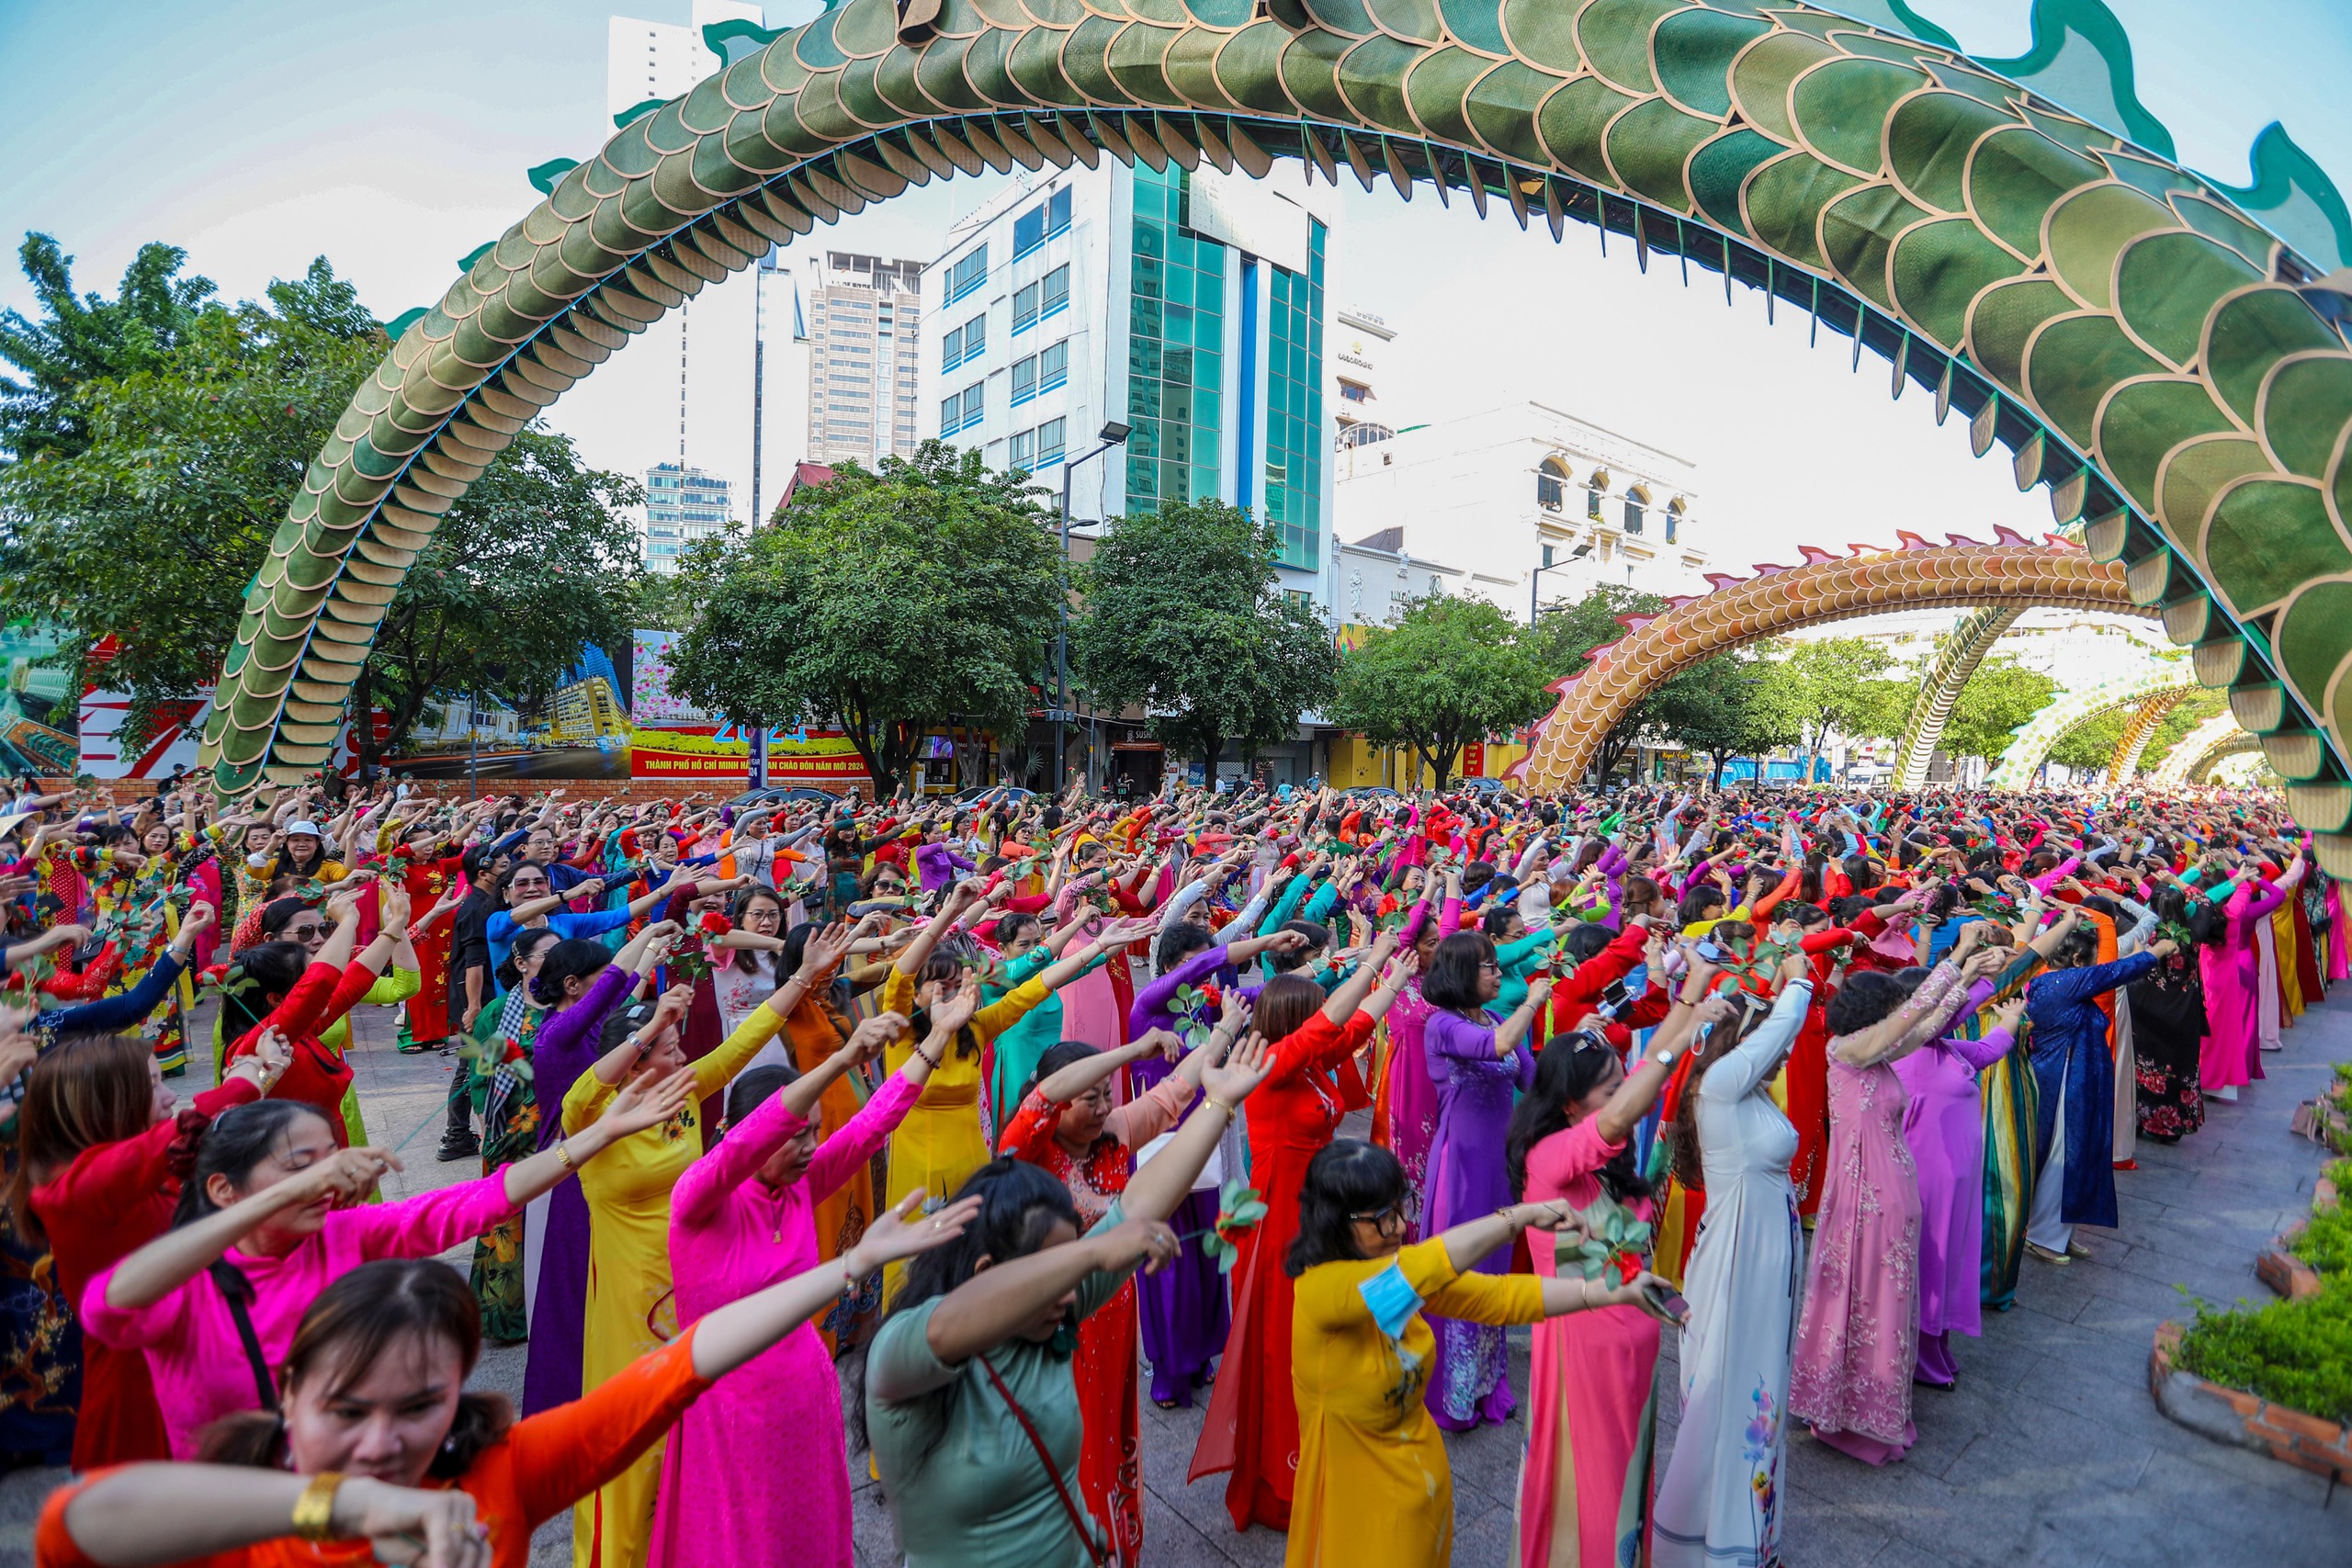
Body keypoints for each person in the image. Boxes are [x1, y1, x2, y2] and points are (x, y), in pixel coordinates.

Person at [33, 1192, 978, 1568]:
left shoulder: (508, 1473)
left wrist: (853, 1265)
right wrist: (343, 1511)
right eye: (345, 1408)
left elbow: (687, 1361)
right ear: (285, 1399)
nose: (381, 1441)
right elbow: (70, 1526)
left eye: (419, 1405)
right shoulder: (241, 1515)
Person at [80, 1066, 695, 1458]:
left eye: (331, 1159)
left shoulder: (345, 1234)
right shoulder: (189, 1283)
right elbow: (106, 1305)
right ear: (224, 1189)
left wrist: (597, 1135)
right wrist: (279, 1197)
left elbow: (473, 1202)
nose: (329, 1178)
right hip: (238, 1531)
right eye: (302, 1166)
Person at [865, 1029, 1274, 1567]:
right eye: (1054, 1269)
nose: (1105, 1107)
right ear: (989, 1268)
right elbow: (947, 1329)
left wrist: (1220, 1101)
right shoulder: (904, 1355)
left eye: (1110, 1094)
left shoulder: (1054, 1318)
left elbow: (1142, 1201)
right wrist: (1089, 1255)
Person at [648, 995, 943, 1568]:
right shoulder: (698, 1203)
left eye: (814, 1133)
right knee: (742, 1543)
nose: (810, 1147)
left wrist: (934, 1041)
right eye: (795, 1134)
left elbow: (872, 1123)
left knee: (807, 1536)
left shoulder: (801, 1187)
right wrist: (838, 1061)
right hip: (728, 1410)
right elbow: (749, 1140)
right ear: (744, 1132)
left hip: (806, 1395)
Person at [1283, 1139, 1673, 1568]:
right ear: (1335, 1223)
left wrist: (1609, 1291)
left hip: (1421, 1489)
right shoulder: (1322, 1291)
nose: (1397, 1227)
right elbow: (1432, 1262)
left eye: (1400, 1208)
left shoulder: (1397, 1276)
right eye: (1381, 1218)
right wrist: (1520, 1216)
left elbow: (1496, 1297)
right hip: (1356, 1507)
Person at [1191, 932, 1412, 1533]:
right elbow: (1328, 1029)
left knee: (1324, 1342)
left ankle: (1320, 1455)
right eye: (1312, 1010)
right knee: (1284, 1349)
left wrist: (1390, 980)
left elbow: (1349, 1034)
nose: (1322, 1019)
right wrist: (1368, 962)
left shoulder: (1308, 1062)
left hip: (1316, 1215)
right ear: (1293, 1020)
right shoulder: (1271, 1066)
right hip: (1279, 1224)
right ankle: (1281, 1481)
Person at [997, 1023, 1224, 1566]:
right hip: (1054, 1323)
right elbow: (1044, 1098)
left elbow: (1171, 1096)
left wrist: (1222, 1042)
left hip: (1117, 1314)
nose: (1103, 1108)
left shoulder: (1113, 1136)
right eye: (1090, 1098)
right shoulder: (1026, 1150)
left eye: (1108, 1095)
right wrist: (1128, 1050)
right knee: (1072, 1440)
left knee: (1112, 1431)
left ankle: (1112, 1537)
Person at [13, 1028, 288, 1471]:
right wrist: (247, 1080)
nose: (168, 1097)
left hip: (196, 1365)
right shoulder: (74, 1189)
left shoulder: (135, 1174)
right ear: (105, 1104)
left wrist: (260, 1069)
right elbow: (180, 1134)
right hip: (141, 1391)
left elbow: (185, 1145)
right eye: (154, 1084)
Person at [1790, 942, 1996, 1464]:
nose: (1895, 1021)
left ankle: (1870, 1411)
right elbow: (1907, 1018)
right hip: (1863, 1198)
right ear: (1870, 1015)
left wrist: (1966, 975)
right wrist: (1956, 960)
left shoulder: (1878, 1053)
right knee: (1861, 1300)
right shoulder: (1846, 1051)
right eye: (1888, 1012)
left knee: (1885, 1305)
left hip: (1890, 1194)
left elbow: (1923, 1026)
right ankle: (1844, 1411)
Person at [1506, 990, 1689, 1568]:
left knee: (1628, 1477)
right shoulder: (1550, 1159)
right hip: (1582, 1350)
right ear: (1568, 1105)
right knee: (1594, 1482)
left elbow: (1646, 1067)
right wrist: (1682, 1041)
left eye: (1620, 1081)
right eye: (1610, 1087)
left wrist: (1700, 991)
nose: (1625, 1093)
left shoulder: (1600, 1161)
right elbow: (1625, 1107)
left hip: (1632, 1347)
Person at [1650, 956, 1812, 1568]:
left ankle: (1747, 1531)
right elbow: (1783, 1028)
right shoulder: (1717, 1086)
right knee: (1731, 1387)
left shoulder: (1745, 1090)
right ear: (1743, 1044)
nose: (1782, 1056)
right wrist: (1795, 979)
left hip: (1765, 1259)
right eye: (1767, 1043)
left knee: (1759, 1383)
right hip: (1739, 1262)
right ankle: (1711, 1538)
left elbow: (1778, 1037)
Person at [1416, 930, 1547, 1430]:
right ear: (1461, 975)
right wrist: (1533, 1001)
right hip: (1463, 1168)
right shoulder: (1442, 1026)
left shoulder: (1492, 1016)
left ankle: (1488, 1382)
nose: (1496, 973)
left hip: (1500, 1164)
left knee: (1493, 1272)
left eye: (1495, 965)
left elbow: (1533, 1079)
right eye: (1488, 966)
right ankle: (1454, 1393)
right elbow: (1498, 1047)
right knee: (1463, 1272)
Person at [2022, 923, 2174, 1265]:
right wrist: (2157, 951)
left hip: (2078, 1077)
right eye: (2090, 960)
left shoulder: (2061, 980)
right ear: (2076, 959)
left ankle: (2061, 1231)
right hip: (2063, 1080)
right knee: (2063, 1157)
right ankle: (2043, 1234)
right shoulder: (2060, 982)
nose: (2093, 966)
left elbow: (2112, 972)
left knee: (2079, 1153)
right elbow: (2115, 972)